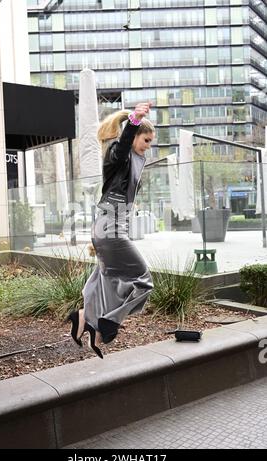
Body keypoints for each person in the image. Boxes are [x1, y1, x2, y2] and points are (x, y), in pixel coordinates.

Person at [68, 102, 155, 358]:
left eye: (150, 142)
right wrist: (135, 121)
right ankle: (109, 322)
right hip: (111, 227)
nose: (148, 145)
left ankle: (85, 318)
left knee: (105, 280)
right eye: (146, 140)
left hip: (112, 226)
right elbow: (121, 148)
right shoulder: (119, 154)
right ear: (135, 135)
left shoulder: (136, 160)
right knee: (143, 280)